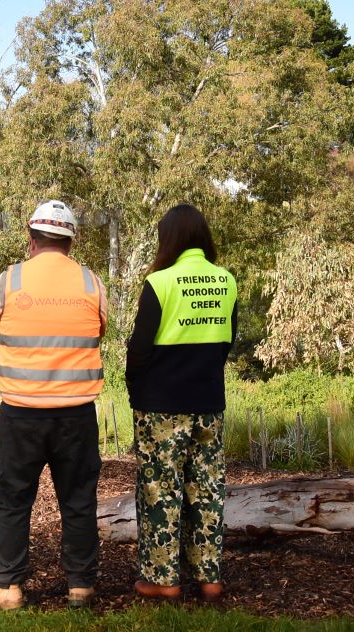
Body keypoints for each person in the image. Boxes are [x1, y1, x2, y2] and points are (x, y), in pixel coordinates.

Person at [0, 200, 107, 610]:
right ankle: (81, 585)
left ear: (30, 238)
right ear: (72, 241)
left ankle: (8, 586)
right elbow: (98, 330)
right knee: (78, 500)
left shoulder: (7, 281)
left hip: (20, 413)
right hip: (76, 414)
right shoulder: (93, 284)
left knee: (14, 499)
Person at [125, 203, 237, 603]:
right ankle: (210, 579)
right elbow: (228, 340)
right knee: (206, 489)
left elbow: (139, 348)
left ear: (168, 239)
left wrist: (132, 384)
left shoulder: (160, 283)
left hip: (161, 405)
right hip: (208, 401)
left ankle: (163, 579)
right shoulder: (226, 281)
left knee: (161, 489)